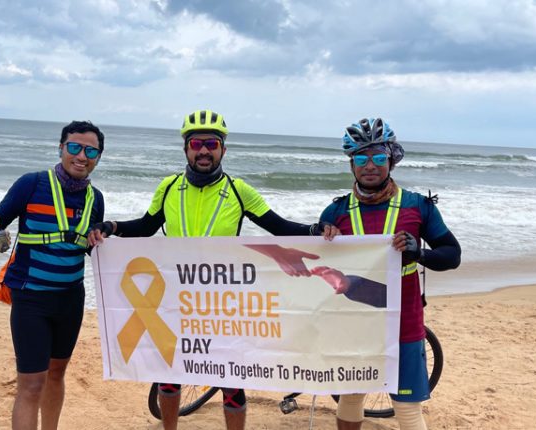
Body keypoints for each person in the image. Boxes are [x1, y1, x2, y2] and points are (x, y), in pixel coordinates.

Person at [87, 109, 337, 430]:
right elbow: (146, 226)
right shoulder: (169, 187)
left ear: (223, 149)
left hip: (222, 303)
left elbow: (280, 227)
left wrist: (316, 230)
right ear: (186, 149)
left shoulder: (239, 190)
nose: (204, 150)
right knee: (169, 375)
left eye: (211, 144)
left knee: (231, 381)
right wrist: (111, 226)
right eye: (196, 143)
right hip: (177, 298)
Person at [317, 117, 461, 430]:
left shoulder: (417, 206)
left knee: (407, 408)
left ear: (392, 160)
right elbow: (319, 265)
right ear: (351, 164)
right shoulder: (336, 212)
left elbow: (452, 255)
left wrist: (419, 253)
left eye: (379, 157)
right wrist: (320, 235)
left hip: (403, 322)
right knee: (350, 397)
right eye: (361, 158)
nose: (370, 165)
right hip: (354, 322)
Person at [0, 121, 106, 430]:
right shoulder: (32, 184)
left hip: (71, 299)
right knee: (31, 384)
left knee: (56, 375)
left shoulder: (96, 199)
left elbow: (86, 248)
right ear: (61, 148)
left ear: (98, 156)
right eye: (74, 147)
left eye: (91, 151)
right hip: (31, 298)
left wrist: (98, 242)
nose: (82, 156)